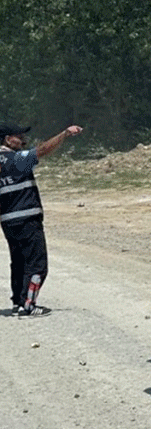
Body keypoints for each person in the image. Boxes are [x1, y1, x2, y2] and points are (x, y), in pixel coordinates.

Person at [0, 121, 83, 317]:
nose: (23, 140)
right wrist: (65, 134)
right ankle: (29, 304)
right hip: (27, 218)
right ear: (7, 139)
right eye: (19, 137)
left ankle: (18, 302)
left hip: (8, 222)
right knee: (37, 264)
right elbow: (43, 150)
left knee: (18, 261)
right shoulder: (15, 159)